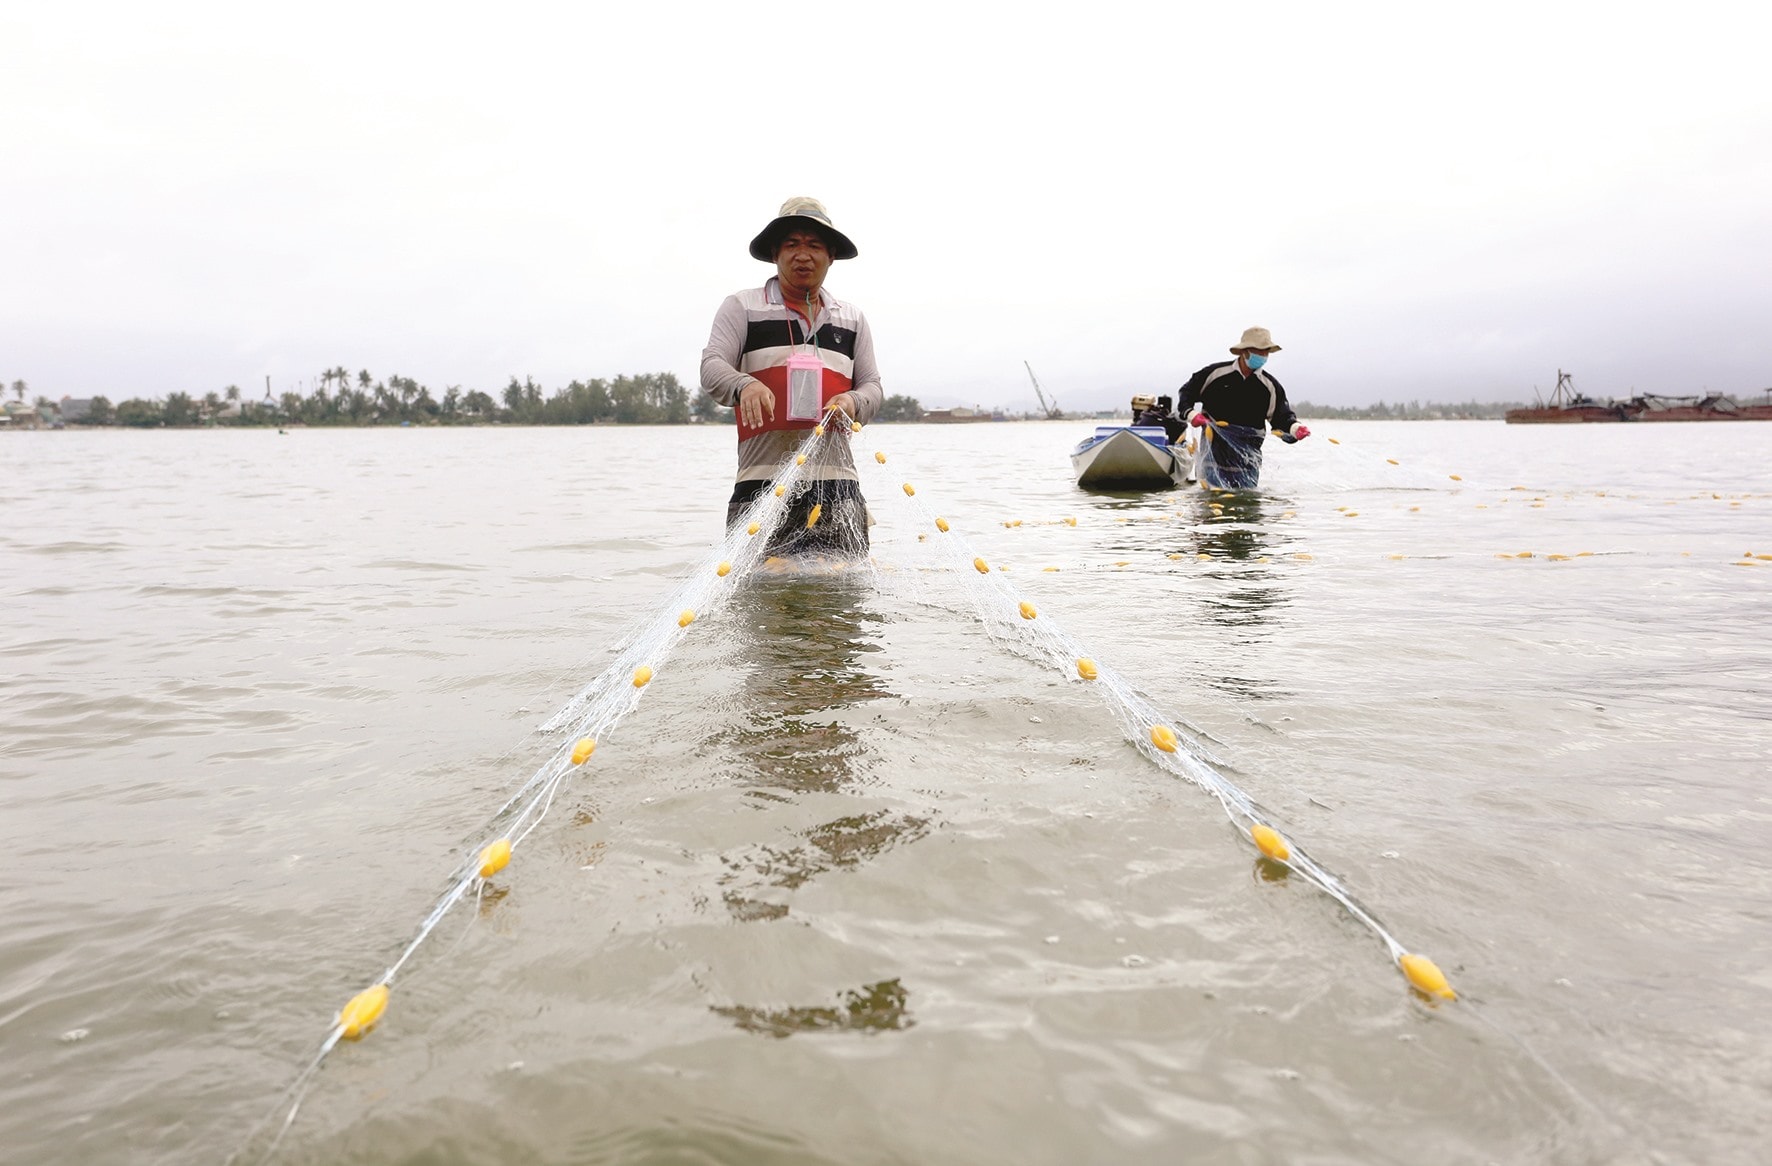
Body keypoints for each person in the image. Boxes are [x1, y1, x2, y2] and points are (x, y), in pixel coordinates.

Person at [700, 197, 884, 555]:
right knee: (763, 602)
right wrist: (744, 383)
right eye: (792, 244)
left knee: (841, 603)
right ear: (774, 253)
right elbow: (711, 367)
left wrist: (852, 400)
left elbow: (873, 387)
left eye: (815, 246)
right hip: (761, 487)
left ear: (830, 256)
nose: (803, 255)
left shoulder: (852, 318)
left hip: (837, 487)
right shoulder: (742, 307)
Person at [1178, 327, 1310, 488]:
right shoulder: (1215, 374)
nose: (1262, 356)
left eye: (1265, 352)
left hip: (1247, 462)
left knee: (1247, 506)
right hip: (1213, 458)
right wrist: (1191, 414)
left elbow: (1281, 419)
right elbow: (1186, 393)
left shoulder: (1269, 386)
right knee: (1211, 505)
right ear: (1244, 351)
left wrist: (1296, 429)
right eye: (1258, 351)